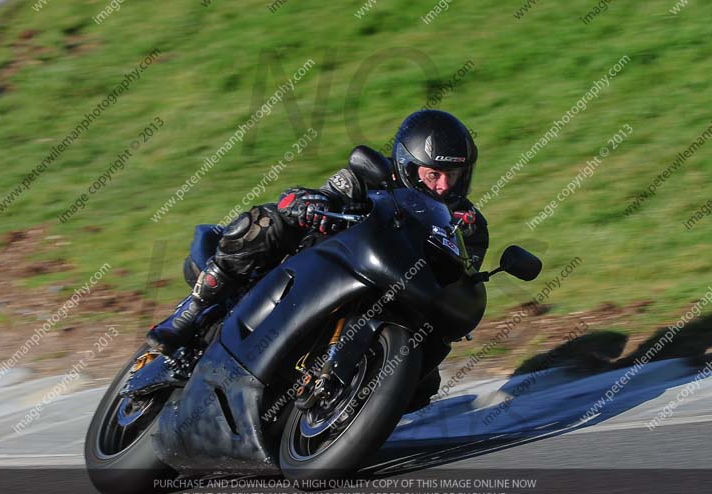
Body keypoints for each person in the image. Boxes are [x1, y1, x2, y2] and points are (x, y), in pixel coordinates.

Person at [146, 109, 488, 358]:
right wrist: (306, 203)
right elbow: (317, 195)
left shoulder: (468, 224)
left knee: (428, 376)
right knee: (267, 222)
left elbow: (462, 276)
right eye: (434, 175)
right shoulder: (370, 176)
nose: (444, 186)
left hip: (397, 296)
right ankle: (191, 311)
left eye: (454, 175)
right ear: (408, 166)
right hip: (318, 268)